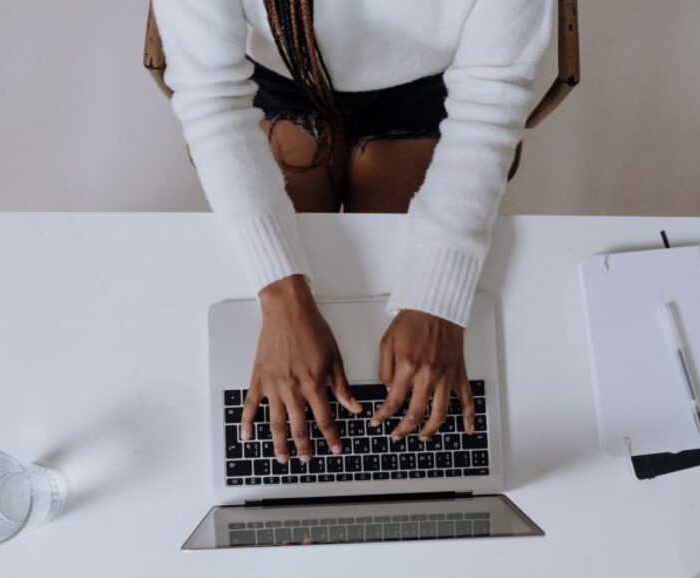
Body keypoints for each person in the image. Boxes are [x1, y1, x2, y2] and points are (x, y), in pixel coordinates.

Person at [154, 0, 554, 466]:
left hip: (430, 84)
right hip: (281, 73)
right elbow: (212, 97)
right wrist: (282, 297)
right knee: (281, 380)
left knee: (396, 383)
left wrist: (436, 302)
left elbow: (491, 97)